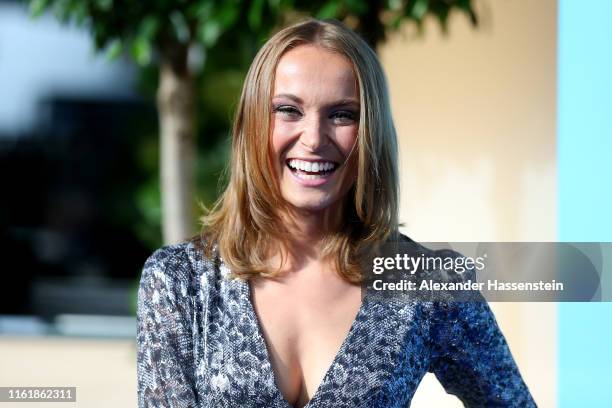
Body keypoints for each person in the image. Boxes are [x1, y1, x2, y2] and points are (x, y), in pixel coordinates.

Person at [137, 19, 536, 408]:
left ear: (371, 133)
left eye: (342, 114)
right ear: (253, 123)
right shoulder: (179, 281)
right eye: (288, 110)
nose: (313, 139)